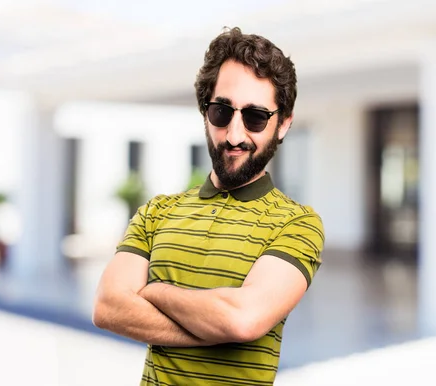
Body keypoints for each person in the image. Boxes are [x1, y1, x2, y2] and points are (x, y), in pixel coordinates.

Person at [92, 26, 325, 386]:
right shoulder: (157, 212)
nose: (234, 135)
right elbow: (108, 307)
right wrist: (213, 329)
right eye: (222, 111)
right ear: (205, 113)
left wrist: (156, 292)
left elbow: (242, 320)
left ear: (283, 125)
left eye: (255, 117)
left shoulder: (296, 223)